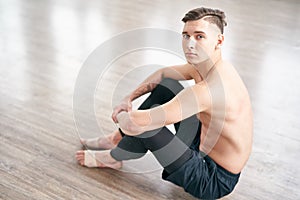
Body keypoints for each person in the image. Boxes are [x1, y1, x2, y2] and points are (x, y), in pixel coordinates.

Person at [76, 7, 253, 199]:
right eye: (186, 35)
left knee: (148, 124)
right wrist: (127, 98)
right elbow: (163, 74)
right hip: (201, 145)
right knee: (167, 86)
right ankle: (115, 139)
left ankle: (113, 157)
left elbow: (136, 122)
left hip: (212, 178)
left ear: (219, 41)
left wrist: (120, 112)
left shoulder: (209, 90)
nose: (190, 44)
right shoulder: (213, 67)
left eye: (199, 36)